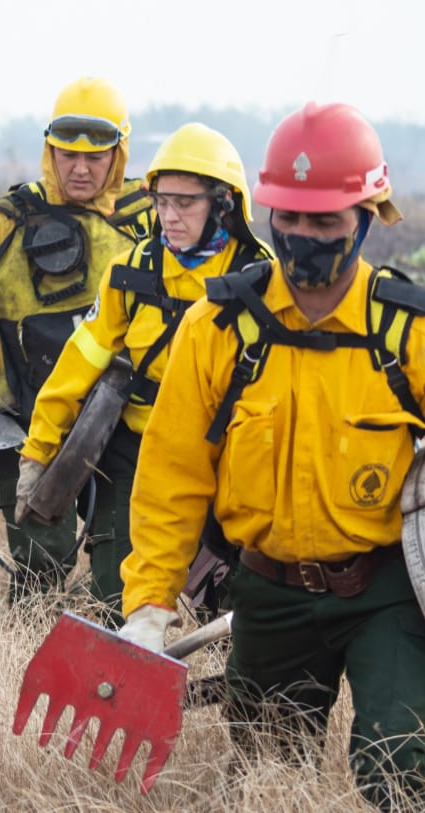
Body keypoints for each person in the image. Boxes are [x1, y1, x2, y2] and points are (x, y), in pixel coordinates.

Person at [116, 102, 425, 809]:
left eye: (324, 221)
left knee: (395, 764)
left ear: (368, 215)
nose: (303, 237)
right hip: (268, 594)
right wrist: (148, 602)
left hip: (389, 592)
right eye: (289, 219)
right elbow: (171, 476)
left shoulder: (421, 338)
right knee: (268, 774)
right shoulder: (214, 329)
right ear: (265, 215)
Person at [16, 123, 270, 622]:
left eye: (185, 203)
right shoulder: (130, 272)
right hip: (135, 452)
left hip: (231, 457)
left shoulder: (262, 282)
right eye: (161, 201)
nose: (168, 216)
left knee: (238, 609)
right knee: (118, 598)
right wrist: (38, 452)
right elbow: (76, 367)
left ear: (223, 204)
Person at [0, 76, 154, 604]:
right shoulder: (4, 224)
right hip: (24, 419)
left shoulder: (150, 224)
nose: (80, 169)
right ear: (49, 151)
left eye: (95, 157)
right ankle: (27, 638)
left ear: (118, 154)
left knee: (120, 560)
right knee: (38, 560)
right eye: (67, 155)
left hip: (120, 422)